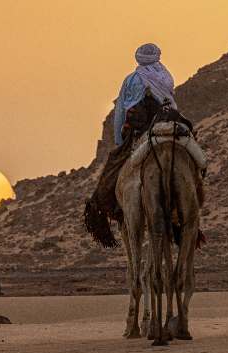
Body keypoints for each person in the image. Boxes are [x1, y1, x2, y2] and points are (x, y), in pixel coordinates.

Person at [84, 43, 204, 249]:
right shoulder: (166, 75)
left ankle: (105, 207)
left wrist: (120, 142)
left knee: (114, 165)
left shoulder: (131, 79)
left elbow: (122, 111)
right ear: (157, 56)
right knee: (196, 157)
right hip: (169, 121)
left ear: (138, 58)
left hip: (141, 129)